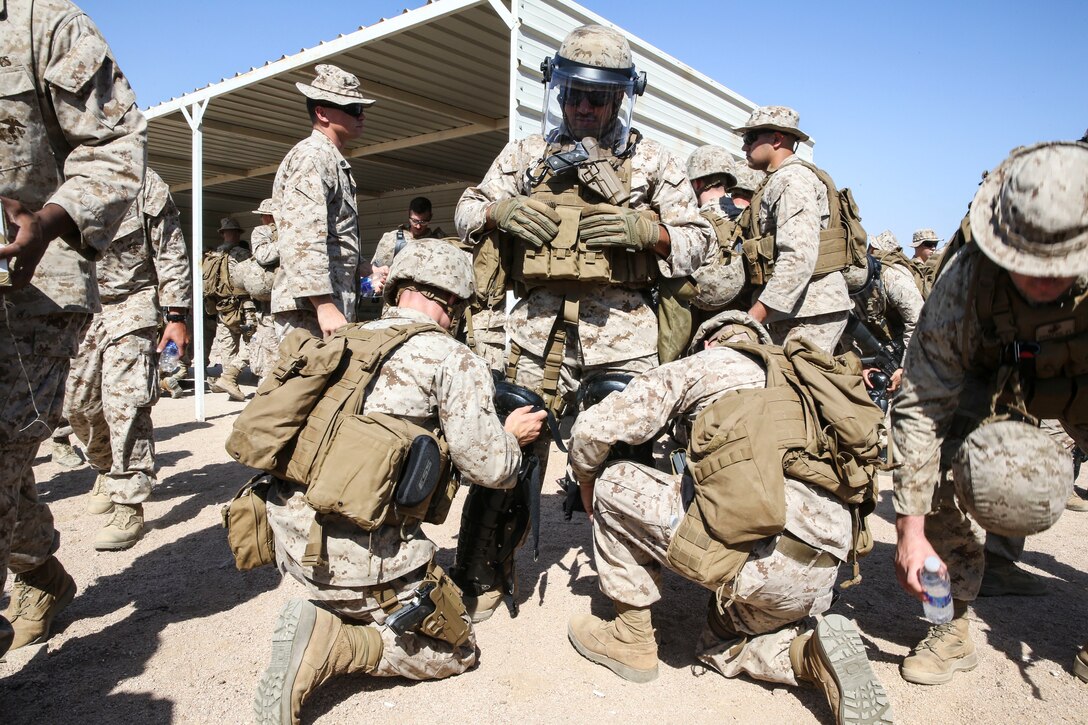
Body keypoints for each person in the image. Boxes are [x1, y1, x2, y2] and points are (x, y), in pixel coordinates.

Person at [451, 24, 710, 618]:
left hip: (623, 338)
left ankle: (630, 603)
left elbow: (700, 243)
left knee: (629, 465)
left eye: (599, 96)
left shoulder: (651, 160)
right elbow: (465, 212)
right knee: (509, 454)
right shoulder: (526, 156)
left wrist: (651, 231)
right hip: (535, 336)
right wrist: (500, 210)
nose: (585, 106)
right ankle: (484, 575)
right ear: (558, 91)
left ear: (621, 97)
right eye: (574, 93)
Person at [255, 239, 545, 724]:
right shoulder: (450, 357)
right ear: (450, 301)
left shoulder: (344, 338)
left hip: (289, 543)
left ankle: (344, 610)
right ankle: (340, 641)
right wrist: (512, 436)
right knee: (456, 649)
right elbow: (490, 468)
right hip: (356, 563)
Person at [565, 310, 892, 725]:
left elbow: (595, 428)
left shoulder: (710, 362)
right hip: (822, 573)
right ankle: (809, 656)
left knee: (615, 483)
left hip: (758, 562)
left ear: (708, 343)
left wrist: (587, 482)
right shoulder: (810, 381)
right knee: (721, 642)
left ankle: (631, 639)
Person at [892, 141, 1088, 687]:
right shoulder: (967, 279)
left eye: (1063, 265)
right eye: (1029, 263)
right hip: (997, 380)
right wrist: (909, 530)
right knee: (924, 467)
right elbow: (920, 408)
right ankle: (948, 622)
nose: (1045, 281)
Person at [0, 0, 146, 656]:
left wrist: (51, 218)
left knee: (90, 414)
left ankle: (128, 489)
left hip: (32, 289)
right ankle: (36, 568)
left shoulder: (41, 21)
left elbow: (117, 147)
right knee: (11, 462)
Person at [65, 167, 190, 551]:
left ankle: (128, 501)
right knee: (78, 406)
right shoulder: (60, 176)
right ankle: (104, 467)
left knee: (126, 404)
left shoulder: (145, 182)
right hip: (77, 307)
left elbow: (170, 249)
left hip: (132, 304)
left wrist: (176, 315)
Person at [736, 106, 853, 351]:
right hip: (797, 308)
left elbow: (798, 255)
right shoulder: (779, 179)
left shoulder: (791, 179)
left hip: (809, 311)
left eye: (750, 138)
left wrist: (755, 316)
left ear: (777, 139)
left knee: (798, 387)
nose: (744, 147)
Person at [271, 64, 373, 341]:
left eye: (362, 109)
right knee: (306, 382)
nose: (361, 115)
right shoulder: (313, 156)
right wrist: (323, 303)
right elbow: (301, 235)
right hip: (310, 308)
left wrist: (363, 266)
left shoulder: (330, 158)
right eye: (352, 108)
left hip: (328, 301)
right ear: (322, 112)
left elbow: (333, 233)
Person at [204, 216, 253, 401]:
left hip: (222, 307)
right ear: (237, 233)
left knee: (227, 346)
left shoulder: (213, 255)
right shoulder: (242, 254)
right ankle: (229, 378)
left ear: (223, 233)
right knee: (253, 343)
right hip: (243, 306)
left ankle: (229, 381)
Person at [241, 198, 280, 384]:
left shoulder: (289, 230)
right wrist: (288, 243)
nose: (263, 220)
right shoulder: (262, 232)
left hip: (290, 298)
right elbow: (263, 256)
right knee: (270, 349)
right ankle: (266, 391)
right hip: (268, 303)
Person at [368, 196, 446, 287]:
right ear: (408, 215)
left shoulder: (440, 242)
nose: (418, 226)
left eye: (423, 222)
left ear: (431, 217)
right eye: (414, 221)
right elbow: (375, 272)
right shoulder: (391, 239)